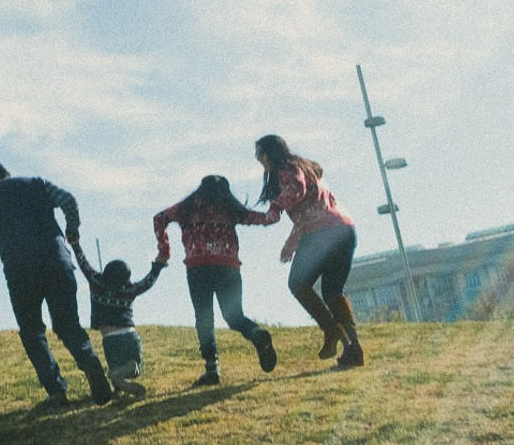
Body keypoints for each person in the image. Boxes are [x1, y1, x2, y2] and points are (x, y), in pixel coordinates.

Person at [0, 162, 114, 406]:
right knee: (68, 325)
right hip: (58, 262)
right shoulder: (37, 184)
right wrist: (72, 228)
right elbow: (68, 200)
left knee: (32, 332)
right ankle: (91, 365)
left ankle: (56, 392)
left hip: (20, 269)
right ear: (7, 174)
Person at [153, 175, 277, 384]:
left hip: (197, 267)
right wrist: (277, 206)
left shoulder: (187, 206)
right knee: (234, 316)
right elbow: (265, 219)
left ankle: (212, 370)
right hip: (227, 266)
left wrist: (164, 251)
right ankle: (257, 334)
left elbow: (159, 218)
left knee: (204, 318)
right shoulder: (230, 208)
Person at [254, 134, 364, 369]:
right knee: (333, 292)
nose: (258, 160)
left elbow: (297, 189)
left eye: (259, 154)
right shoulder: (304, 167)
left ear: (269, 154)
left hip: (322, 233)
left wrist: (277, 209)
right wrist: (290, 238)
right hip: (344, 229)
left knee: (298, 283)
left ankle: (331, 331)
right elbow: (305, 208)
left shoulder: (287, 169)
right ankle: (354, 351)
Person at [72, 241, 166, 400]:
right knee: (133, 368)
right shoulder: (129, 290)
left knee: (114, 368)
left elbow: (84, 264)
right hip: (130, 336)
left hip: (111, 339)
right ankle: (128, 373)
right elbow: (147, 282)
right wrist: (158, 265)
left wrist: (76, 245)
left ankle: (117, 382)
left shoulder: (96, 283)